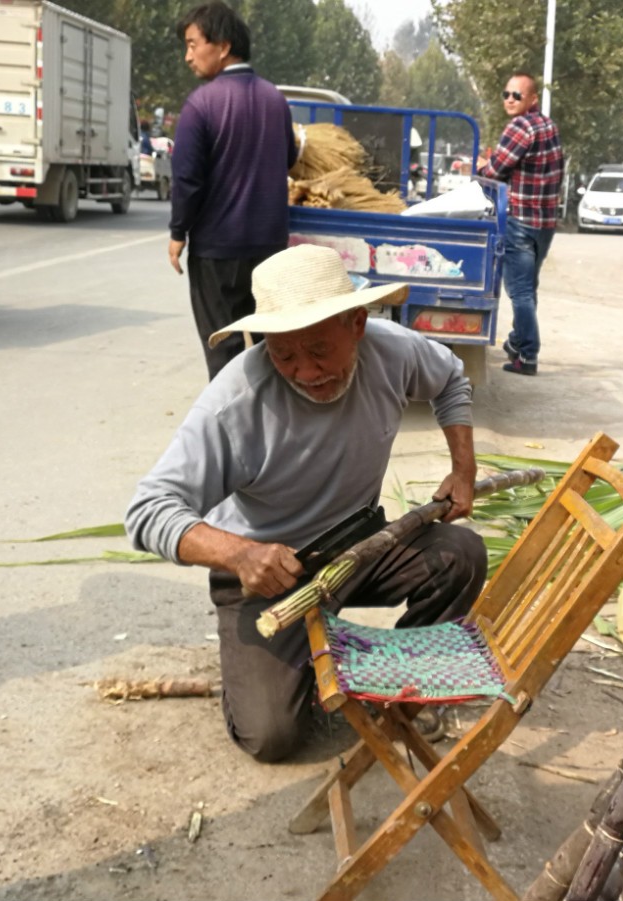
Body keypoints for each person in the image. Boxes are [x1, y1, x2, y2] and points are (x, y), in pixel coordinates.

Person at [126, 244, 485, 763]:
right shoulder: (237, 402)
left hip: (359, 549)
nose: (305, 371)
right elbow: (148, 510)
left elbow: (451, 378)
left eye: (319, 350)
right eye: (284, 354)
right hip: (268, 576)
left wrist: (463, 469)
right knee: (271, 736)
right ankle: (268, 672)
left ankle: (399, 693)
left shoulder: (392, 351)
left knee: (459, 555)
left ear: (357, 323)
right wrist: (239, 555)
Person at [168, 1, 299, 378]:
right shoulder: (275, 100)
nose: (188, 56)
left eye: (194, 44)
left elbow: (187, 181)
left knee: (222, 352)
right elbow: (288, 158)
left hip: (216, 253)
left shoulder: (201, 105)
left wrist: (178, 233)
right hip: (270, 250)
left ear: (222, 47)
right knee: (270, 348)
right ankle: (273, 425)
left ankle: (230, 429)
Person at [480, 71, 563, 377]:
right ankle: (518, 343)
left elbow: (495, 171)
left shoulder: (520, 126)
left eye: (517, 95)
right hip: (545, 223)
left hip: (520, 222)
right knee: (529, 289)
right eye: (507, 94)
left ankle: (527, 353)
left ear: (532, 99)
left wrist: (480, 167)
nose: (510, 100)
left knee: (520, 292)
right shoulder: (549, 126)